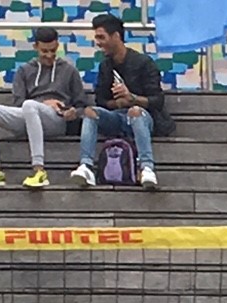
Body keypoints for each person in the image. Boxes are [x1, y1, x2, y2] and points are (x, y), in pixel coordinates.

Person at [0, 28, 85, 190]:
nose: (49, 55)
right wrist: (44, 103)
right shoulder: (24, 70)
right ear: (36, 47)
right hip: (29, 114)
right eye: (44, 51)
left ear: (58, 46)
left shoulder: (69, 70)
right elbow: (19, 102)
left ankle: (39, 169)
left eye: (52, 50)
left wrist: (71, 110)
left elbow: (81, 104)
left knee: (30, 105)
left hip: (56, 120)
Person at [70, 13, 168, 189]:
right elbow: (101, 99)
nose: (98, 42)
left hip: (144, 118)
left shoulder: (144, 63)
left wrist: (132, 99)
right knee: (90, 111)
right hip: (116, 117)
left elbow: (157, 101)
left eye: (101, 37)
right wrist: (118, 103)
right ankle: (86, 166)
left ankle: (147, 168)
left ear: (116, 36)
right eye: (96, 37)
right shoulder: (105, 65)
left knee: (135, 112)